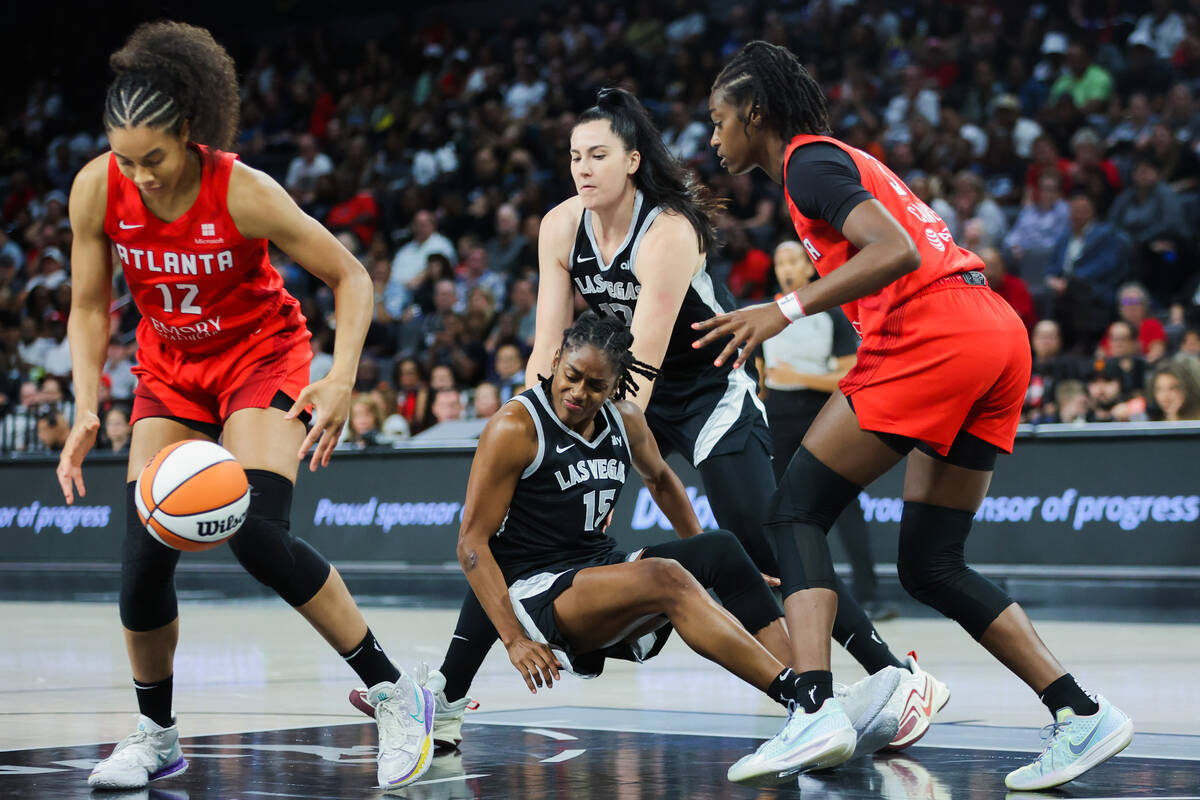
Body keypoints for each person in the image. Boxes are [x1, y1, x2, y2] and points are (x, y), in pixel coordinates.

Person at [428, 86, 938, 752]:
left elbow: (641, 363)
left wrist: (597, 458)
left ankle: (890, 676)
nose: (583, 169)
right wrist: (533, 433)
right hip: (616, 393)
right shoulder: (559, 225)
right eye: (575, 156)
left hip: (701, 392)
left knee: (763, 540)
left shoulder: (668, 228)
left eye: (599, 156)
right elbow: (545, 348)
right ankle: (443, 701)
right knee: (509, 529)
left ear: (633, 160)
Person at [696, 40, 1132, 791]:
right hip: (993, 331)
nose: (712, 136)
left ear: (754, 112)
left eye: (718, 119)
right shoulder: (831, 163)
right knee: (931, 563)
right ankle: (1080, 712)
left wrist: (785, 307)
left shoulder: (806, 162)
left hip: (934, 329)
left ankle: (814, 704)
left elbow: (893, 249)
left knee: (793, 512)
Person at [55, 22, 433, 791]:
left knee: (257, 534)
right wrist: (86, 404)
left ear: (189, 132)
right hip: (170, 369)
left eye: (153, 158)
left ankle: (397, 696)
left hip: (260, 356)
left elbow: (352, 276)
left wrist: (341, 376)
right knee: (142, 564)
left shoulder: (243, 189)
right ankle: (156, 737)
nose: (141, 175)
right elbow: (88, 307)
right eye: (126, 158)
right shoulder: (99, 185)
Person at [360, 312, 898, 779]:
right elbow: (472, 543)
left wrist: (710, 560)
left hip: (594, 567)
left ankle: (816, 695)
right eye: (571, 377)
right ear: (555, 359)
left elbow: (662, 480)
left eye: (596, 386)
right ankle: (803, 706)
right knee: (667, 577)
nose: (578, 393)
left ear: (617, 386)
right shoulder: (514, 426)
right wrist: (512, 640)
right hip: (535, 591)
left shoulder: (626, 419)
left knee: (724, 548)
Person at [759, 241, 895, 621]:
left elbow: (846, 374)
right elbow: (758, 375)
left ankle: (868, 595)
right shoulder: (764, 313)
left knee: (845, 506)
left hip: (823, 417)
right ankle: (782, 592)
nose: (786, 267)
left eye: (793, 260)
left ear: (808, 267)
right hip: (776, 421)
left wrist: (795, 376)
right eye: (779, 260)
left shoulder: (829, 314)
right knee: (775, 509)